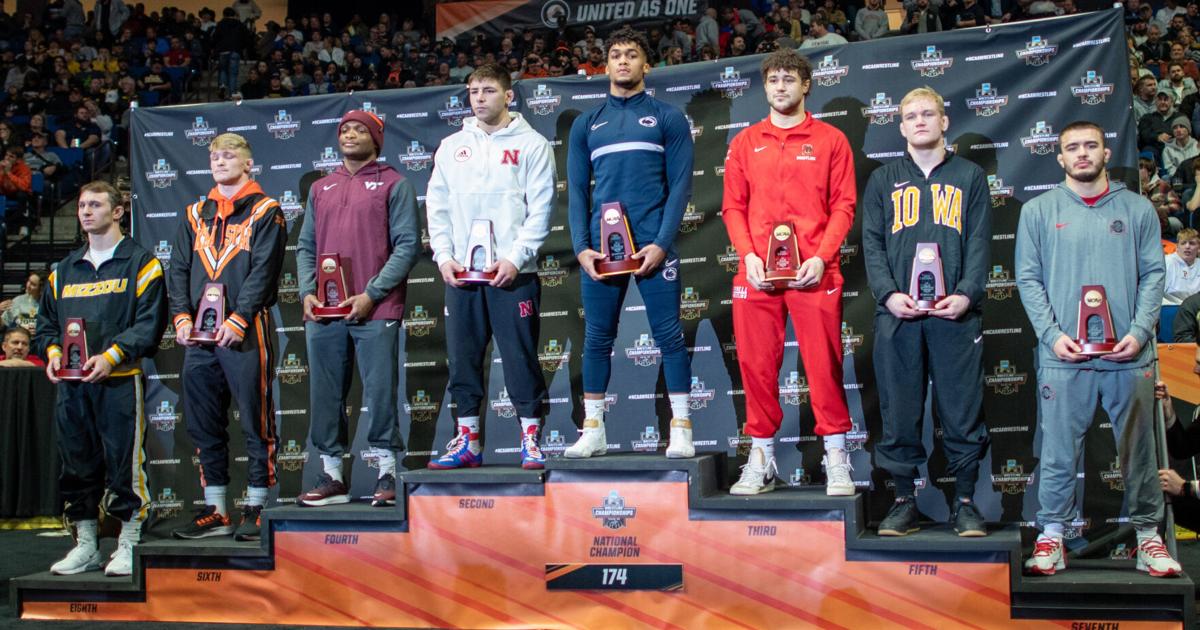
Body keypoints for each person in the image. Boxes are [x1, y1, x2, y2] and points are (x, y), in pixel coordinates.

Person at [1016, 120, 1181, 577]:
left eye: (1091, 145)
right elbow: (1027, 279)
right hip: (1063, 356)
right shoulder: (1039, 211)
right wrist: (1052, 336)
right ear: (1060, 157)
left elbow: (1153, 274)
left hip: (1128, 355)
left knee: (1138, 449)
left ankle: (1149, 538)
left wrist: (1142, 329)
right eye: (1073, 148)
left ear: (1106, 153)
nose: (1083, 153)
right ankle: (1052, 537)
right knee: (1057, 450)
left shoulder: (1138, 209)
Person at [721, 49, 857, 496]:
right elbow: (733, 207)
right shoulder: (744, 142)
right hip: (758, 274)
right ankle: (760, 459)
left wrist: (821, 256)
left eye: (789, 79)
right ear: (765, 87)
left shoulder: (831, 139)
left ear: (806, 86)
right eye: (773, 80)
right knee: (756, 367)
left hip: (815, 272)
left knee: (824, 364)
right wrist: (747, 256)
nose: (780, 87)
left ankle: (837, 456)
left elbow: (843, 205)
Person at [862, 87, 991, 536]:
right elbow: (872, 243)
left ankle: (967, 501)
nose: (919, 121)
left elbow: (979, 241)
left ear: (943, 120)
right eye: (910, 115)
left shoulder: (970, 176)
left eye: (927, 113)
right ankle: (903, 500)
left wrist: (968, 293)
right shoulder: (882, 179)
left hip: (955, 314)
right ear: (900, 126)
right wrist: (887, 294)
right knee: (899, 411)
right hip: (899, 314)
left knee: (961, 410)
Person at [566, 27, 695, 459]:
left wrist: (661, 243)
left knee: (670, 338)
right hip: (602, 253)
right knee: (597, 340)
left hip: (654, 249)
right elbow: (578, 192)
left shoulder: (667, 117)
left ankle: (681, 428)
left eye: (632, 55)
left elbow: (680, 187)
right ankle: (594, 429)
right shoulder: (587, 123)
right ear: (605, 65)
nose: (623, 61)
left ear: (646, 65)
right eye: (616, 54)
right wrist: (582, 247)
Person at [424, 63, 555, 470]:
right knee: (462, 360)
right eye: (474, 91)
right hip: (462, 275)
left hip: (513, 275)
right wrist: (444, 256)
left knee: (519, 357)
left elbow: (541, 209)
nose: (479, 98)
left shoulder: (532, 144)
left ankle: (531, 440)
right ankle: (468, 442)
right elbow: (437, 205)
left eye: (488, 90)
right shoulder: (451, 146)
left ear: (509, 96)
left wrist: (516, 258)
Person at [34, 181, 167, 577]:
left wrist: (111, 357)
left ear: (118, 211)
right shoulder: (64, 269)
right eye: (81, 206)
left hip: (119, 380)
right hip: (73, 388)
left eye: (95, 204)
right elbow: (45, 326)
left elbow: (149, 324)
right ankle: (87, 545)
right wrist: (54, 354)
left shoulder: (141, 262)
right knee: (76, 465)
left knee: (125, 466)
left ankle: (128, 542)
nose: (86, 212)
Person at [295, 110, 419, 507]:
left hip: (376, 309)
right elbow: (305, 247)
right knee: (327, 393)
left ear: (376, 138)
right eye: (344, 129)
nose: (350, 134)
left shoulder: (394, 184)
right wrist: (307, 292)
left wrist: (371, 294)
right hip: (323, 313)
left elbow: (407, 246)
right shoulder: (321, 188)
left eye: (359, 129)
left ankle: (386, 472)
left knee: (380, 392)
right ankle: (332, 477)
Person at [167, 133, 285, 541]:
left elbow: (265, 270)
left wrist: (239, 317)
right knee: (203, 424)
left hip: (245, 330)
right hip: (198, 335)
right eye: (214, 156)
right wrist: (181, 315)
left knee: (256, 419)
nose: (220, 161)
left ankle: (256, 505)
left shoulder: (266, 209)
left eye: (229, 155)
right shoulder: (194, 213)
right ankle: (216, 509)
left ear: (247, 164)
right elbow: (178, 268)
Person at [1165, 227, 1200, 303]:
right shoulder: (1167, 262)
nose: (1187, 246)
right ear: (1177, 247)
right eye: (1183, 243)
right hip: (1170, 307)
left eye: (1192, 243)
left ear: (1199, 248)